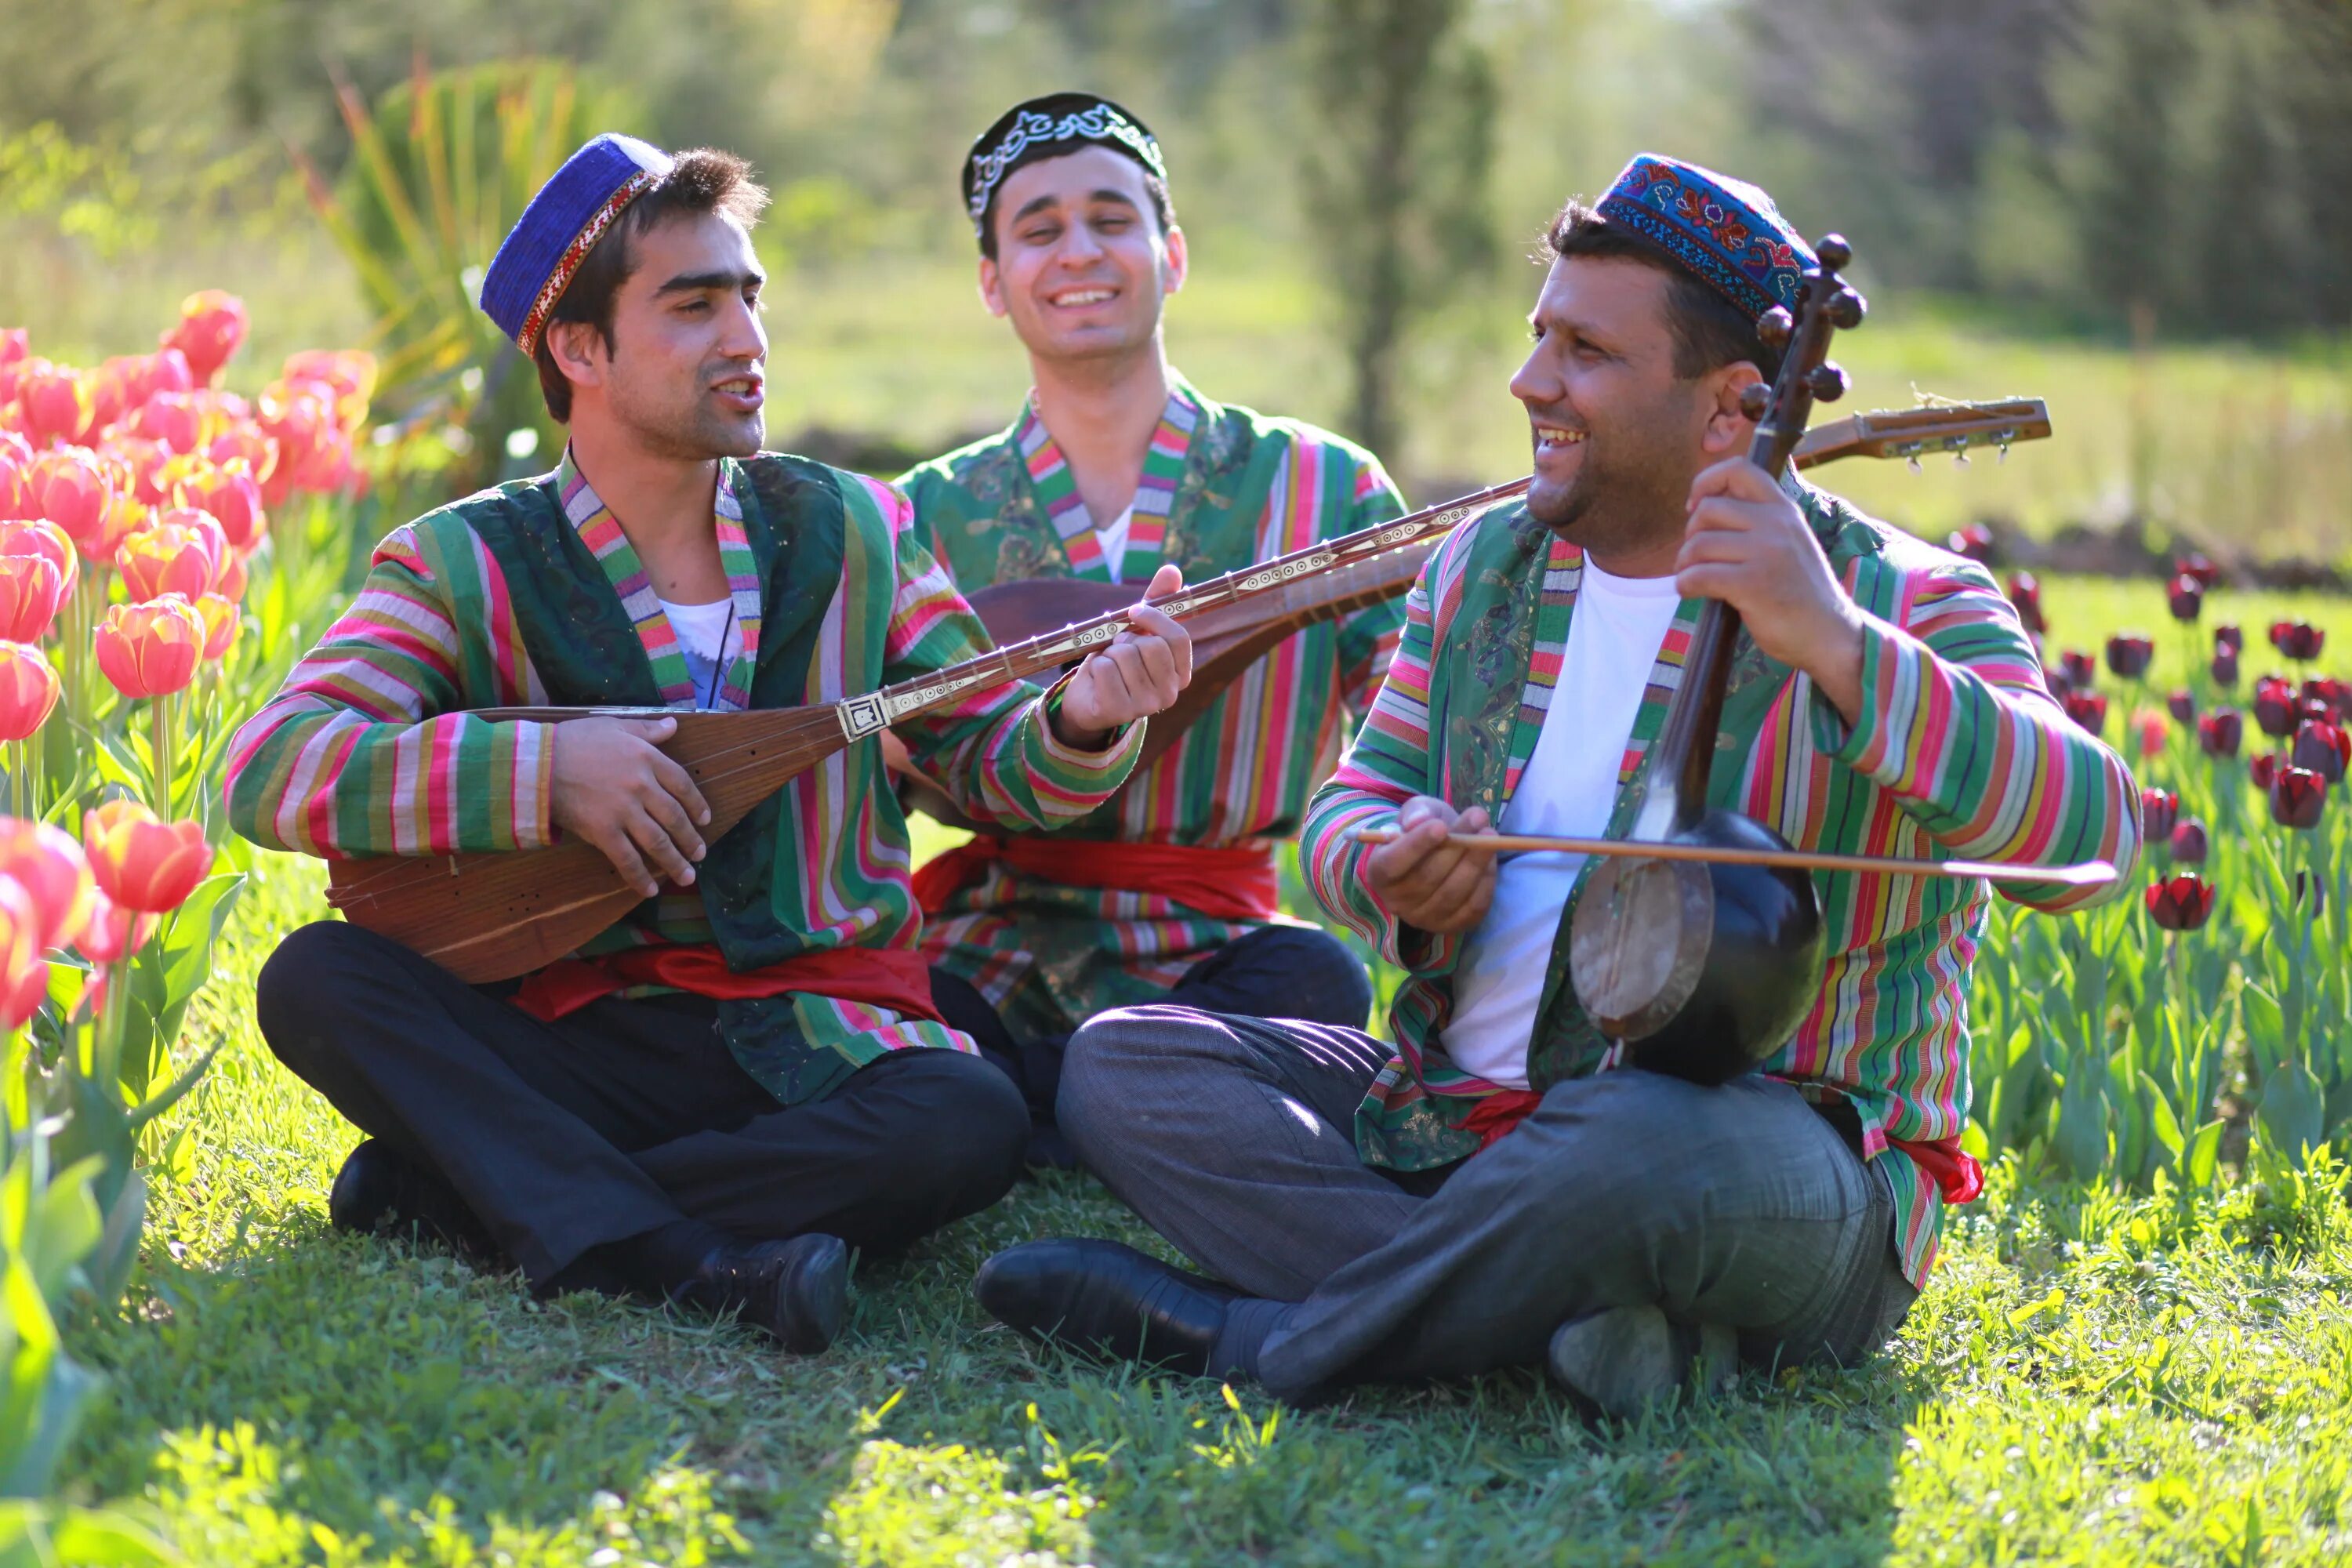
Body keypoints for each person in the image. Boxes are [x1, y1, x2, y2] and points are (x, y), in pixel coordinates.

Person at [973, 154, 2141, 1413]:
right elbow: (1345, 812)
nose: (1532, 382)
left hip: (1753, 1158)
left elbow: (2093, 843)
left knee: (1627, 1138)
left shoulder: (1904, 598)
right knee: (1127, 1063)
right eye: (1541, 339)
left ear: (1733, 406)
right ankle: (1581, 1323)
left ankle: (1247, 1341)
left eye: (1585, 352)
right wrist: (1389, 868)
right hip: (1453, 1124)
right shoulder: (1486, 568)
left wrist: (1840, 648)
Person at [227, 133, 1193, 1352]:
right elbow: (273, 766)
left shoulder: (854, 527)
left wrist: (1083, 716)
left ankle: (472, 1193)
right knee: (316, 978)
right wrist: (546, 774)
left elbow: (985, 762)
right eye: (694, 306)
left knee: (963, 1117)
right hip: (582, 1028)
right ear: (580, 348)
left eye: (750, 297)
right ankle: (680, 1254)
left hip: (811, 1032)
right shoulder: (462, 562)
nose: (746, 339)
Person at [896, 94, 1407, 1161]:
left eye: (1112, 219)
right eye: (1038, 229)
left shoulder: (1324, 487)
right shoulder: (923, 515)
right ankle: (1125, 1111)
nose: (1080, 250)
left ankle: (1043, 1113)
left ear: (1171, 253)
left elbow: (1413, 720)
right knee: (904, 1000)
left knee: (1322, 980)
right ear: (993, 282)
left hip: (1222, 952)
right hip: (992, 940)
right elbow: (876, 781)